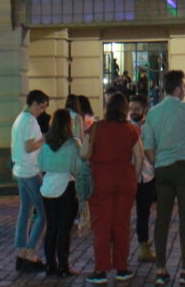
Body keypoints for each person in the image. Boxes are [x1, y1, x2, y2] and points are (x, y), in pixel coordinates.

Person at [142, 69, 185, 286]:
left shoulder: (153, 113)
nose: (184, 91)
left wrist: (158, 161)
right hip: (184, 167)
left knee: (162, 218)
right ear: (178, 88)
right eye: (184, 87)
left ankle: (161, 268)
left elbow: (148, 146)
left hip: (162, 168)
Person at [82, 92, 142, 284]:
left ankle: (100, 270)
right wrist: (135, 176)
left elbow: (84, 153)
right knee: (122, 225)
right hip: (125, 180)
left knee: (101, 226)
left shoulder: (96, 128)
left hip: (101, 180)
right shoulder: (131, 130)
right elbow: (139, 156)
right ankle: (122, 268)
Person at [39, 109, 82, 277]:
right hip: (66, 185)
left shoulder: (46, 143)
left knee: (51, 227)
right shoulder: (73, 143)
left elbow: (41, 165)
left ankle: (50, 265)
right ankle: (63, 265)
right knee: (64, 228)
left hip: (48, 186)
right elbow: (78, 168)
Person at [11, 90, 48, 271]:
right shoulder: (30, 121)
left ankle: (20, 251)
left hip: (20, 169)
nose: (42, 110)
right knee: (43, 212)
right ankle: (31, 252)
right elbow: (29, 146)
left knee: (25, 211)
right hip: (31, 170)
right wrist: (45, 139)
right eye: (41, 106)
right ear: (34, 103)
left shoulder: (19, 119)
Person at [129, 94, 157, 262]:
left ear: (145, 110)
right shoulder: (127, 127)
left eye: (136, 109)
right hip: (130, 175)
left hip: (146, 175)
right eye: (131, 109)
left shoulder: (148, 128)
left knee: (143, 212)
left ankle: (143, 244)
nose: (133, 112)